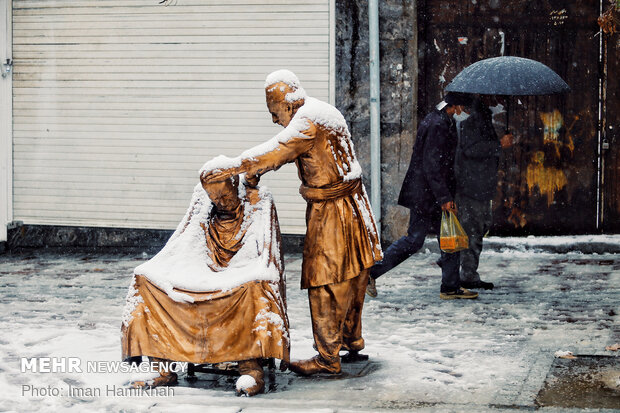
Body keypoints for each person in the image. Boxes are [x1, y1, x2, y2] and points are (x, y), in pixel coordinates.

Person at [200, 69, 382, 376]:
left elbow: (277, 150)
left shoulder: (307, 121)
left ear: (287, 103)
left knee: (326, 280)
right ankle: (350, 339)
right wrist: (255, 170)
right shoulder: (326, 112)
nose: (274, 120)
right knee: (354, 276)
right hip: (354, 205)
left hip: (333, 210)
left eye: (274, 112)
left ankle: (327, 358)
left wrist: (236, 166)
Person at [122, 175, 289, 397]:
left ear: (235, 188)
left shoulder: (257, 202)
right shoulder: (204, 206)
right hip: (201, 270)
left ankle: (250, 368)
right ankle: (161, 368)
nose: (221, 202)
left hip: (242, 272)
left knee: (255, 287)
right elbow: (184, 242)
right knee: (145, 281)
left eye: (225, 196)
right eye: (214, 197)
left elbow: (266, 253)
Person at [367, 92, 478, 300]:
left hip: (432, 193)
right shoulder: (437, 125)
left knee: (449, 237)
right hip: (427, 195)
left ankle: (450, 286)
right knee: (415, 240)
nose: (466, 113)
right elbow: (432, 165)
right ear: (455, 106)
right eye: (466, 108)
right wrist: (444, 198)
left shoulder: (441, 120)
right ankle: (371, 272)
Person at [455, 96, 513, 290]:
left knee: (480, 226)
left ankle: (457, 264)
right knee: (473, 229)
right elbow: (471, 149)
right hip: (473, 186)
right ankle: (466, 273)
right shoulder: (474, 121)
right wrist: (499, 145)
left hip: (479, 185)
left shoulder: (483, 118)